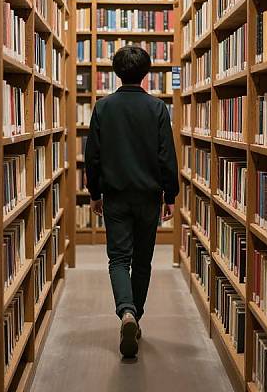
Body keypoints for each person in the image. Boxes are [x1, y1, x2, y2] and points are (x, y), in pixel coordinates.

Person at [84, 45, 179, 359]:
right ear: (147, 73)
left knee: (118, 259)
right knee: (142, 261)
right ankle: (135, 317)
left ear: (115, 72)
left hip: (116, 196)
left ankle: (125, 312)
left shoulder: (103, 107)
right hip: (148, 197)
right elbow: (167, 156)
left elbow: (92, 157)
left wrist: (95, 193)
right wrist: (171, 194)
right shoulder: (157, 108)